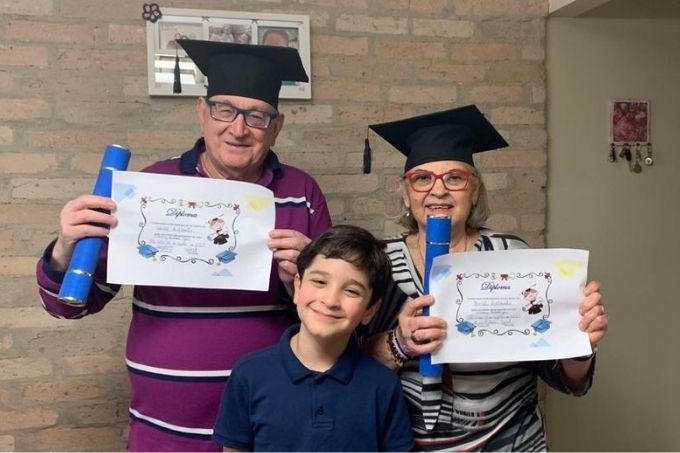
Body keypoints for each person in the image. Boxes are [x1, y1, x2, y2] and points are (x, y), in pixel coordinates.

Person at [35, 39, 332, 452]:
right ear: (202, 112)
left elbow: (331, 317)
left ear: (277, 126)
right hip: (165, 430)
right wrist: (65, 247)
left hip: (269, 423)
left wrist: (303, 278)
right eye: (224, 110)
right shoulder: (151, 187)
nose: (238, 128)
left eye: (257, 116)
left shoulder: (301, 193)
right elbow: (72, 304)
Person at [360, 105, 609, 451]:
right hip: (403, 442)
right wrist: (399, 343)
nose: (438, 191)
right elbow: (344, 361)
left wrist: (580, 344)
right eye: (421, 178)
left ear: (474, 190)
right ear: (406, 193)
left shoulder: (510, 256)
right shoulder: (377, 262)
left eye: (455, 178)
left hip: (511, 442)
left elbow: (567, 379)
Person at [212, 225, 414, 452]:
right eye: (319, 282)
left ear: (370, 310)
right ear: (297, 286)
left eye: (352, 291)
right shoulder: (249, 374)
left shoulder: (383, 385)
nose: (330, 300)